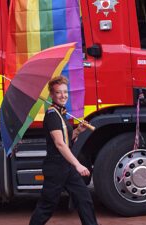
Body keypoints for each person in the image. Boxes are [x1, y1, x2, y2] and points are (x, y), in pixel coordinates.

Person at [29, 76, 98, 225]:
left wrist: (78, 130)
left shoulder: (61, 114)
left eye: (65, 92)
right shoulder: (52, 115)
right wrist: (78, 165)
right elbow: (60, 144)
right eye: (58, 92)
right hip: (56, 167)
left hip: (66, 166)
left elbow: (66, 139)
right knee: (47, 206)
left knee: (84, 199)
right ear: (52, 95)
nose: (63, 95)